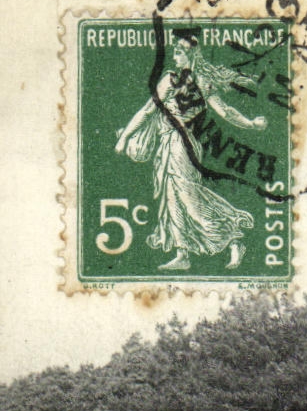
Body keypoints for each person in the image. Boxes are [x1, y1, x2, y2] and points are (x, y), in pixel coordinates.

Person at [113, 30, 266, 271]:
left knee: (188, 197)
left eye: (179, 52)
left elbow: (225, 111)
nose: (175, 57)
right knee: (172, 198)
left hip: (183, 145)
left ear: (191, 54)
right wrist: (125, 137)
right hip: (168, 144)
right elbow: (147, 110)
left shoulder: (199, 82)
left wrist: (250, 124)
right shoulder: (171, 80)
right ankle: (182, 253)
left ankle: (233, 238)